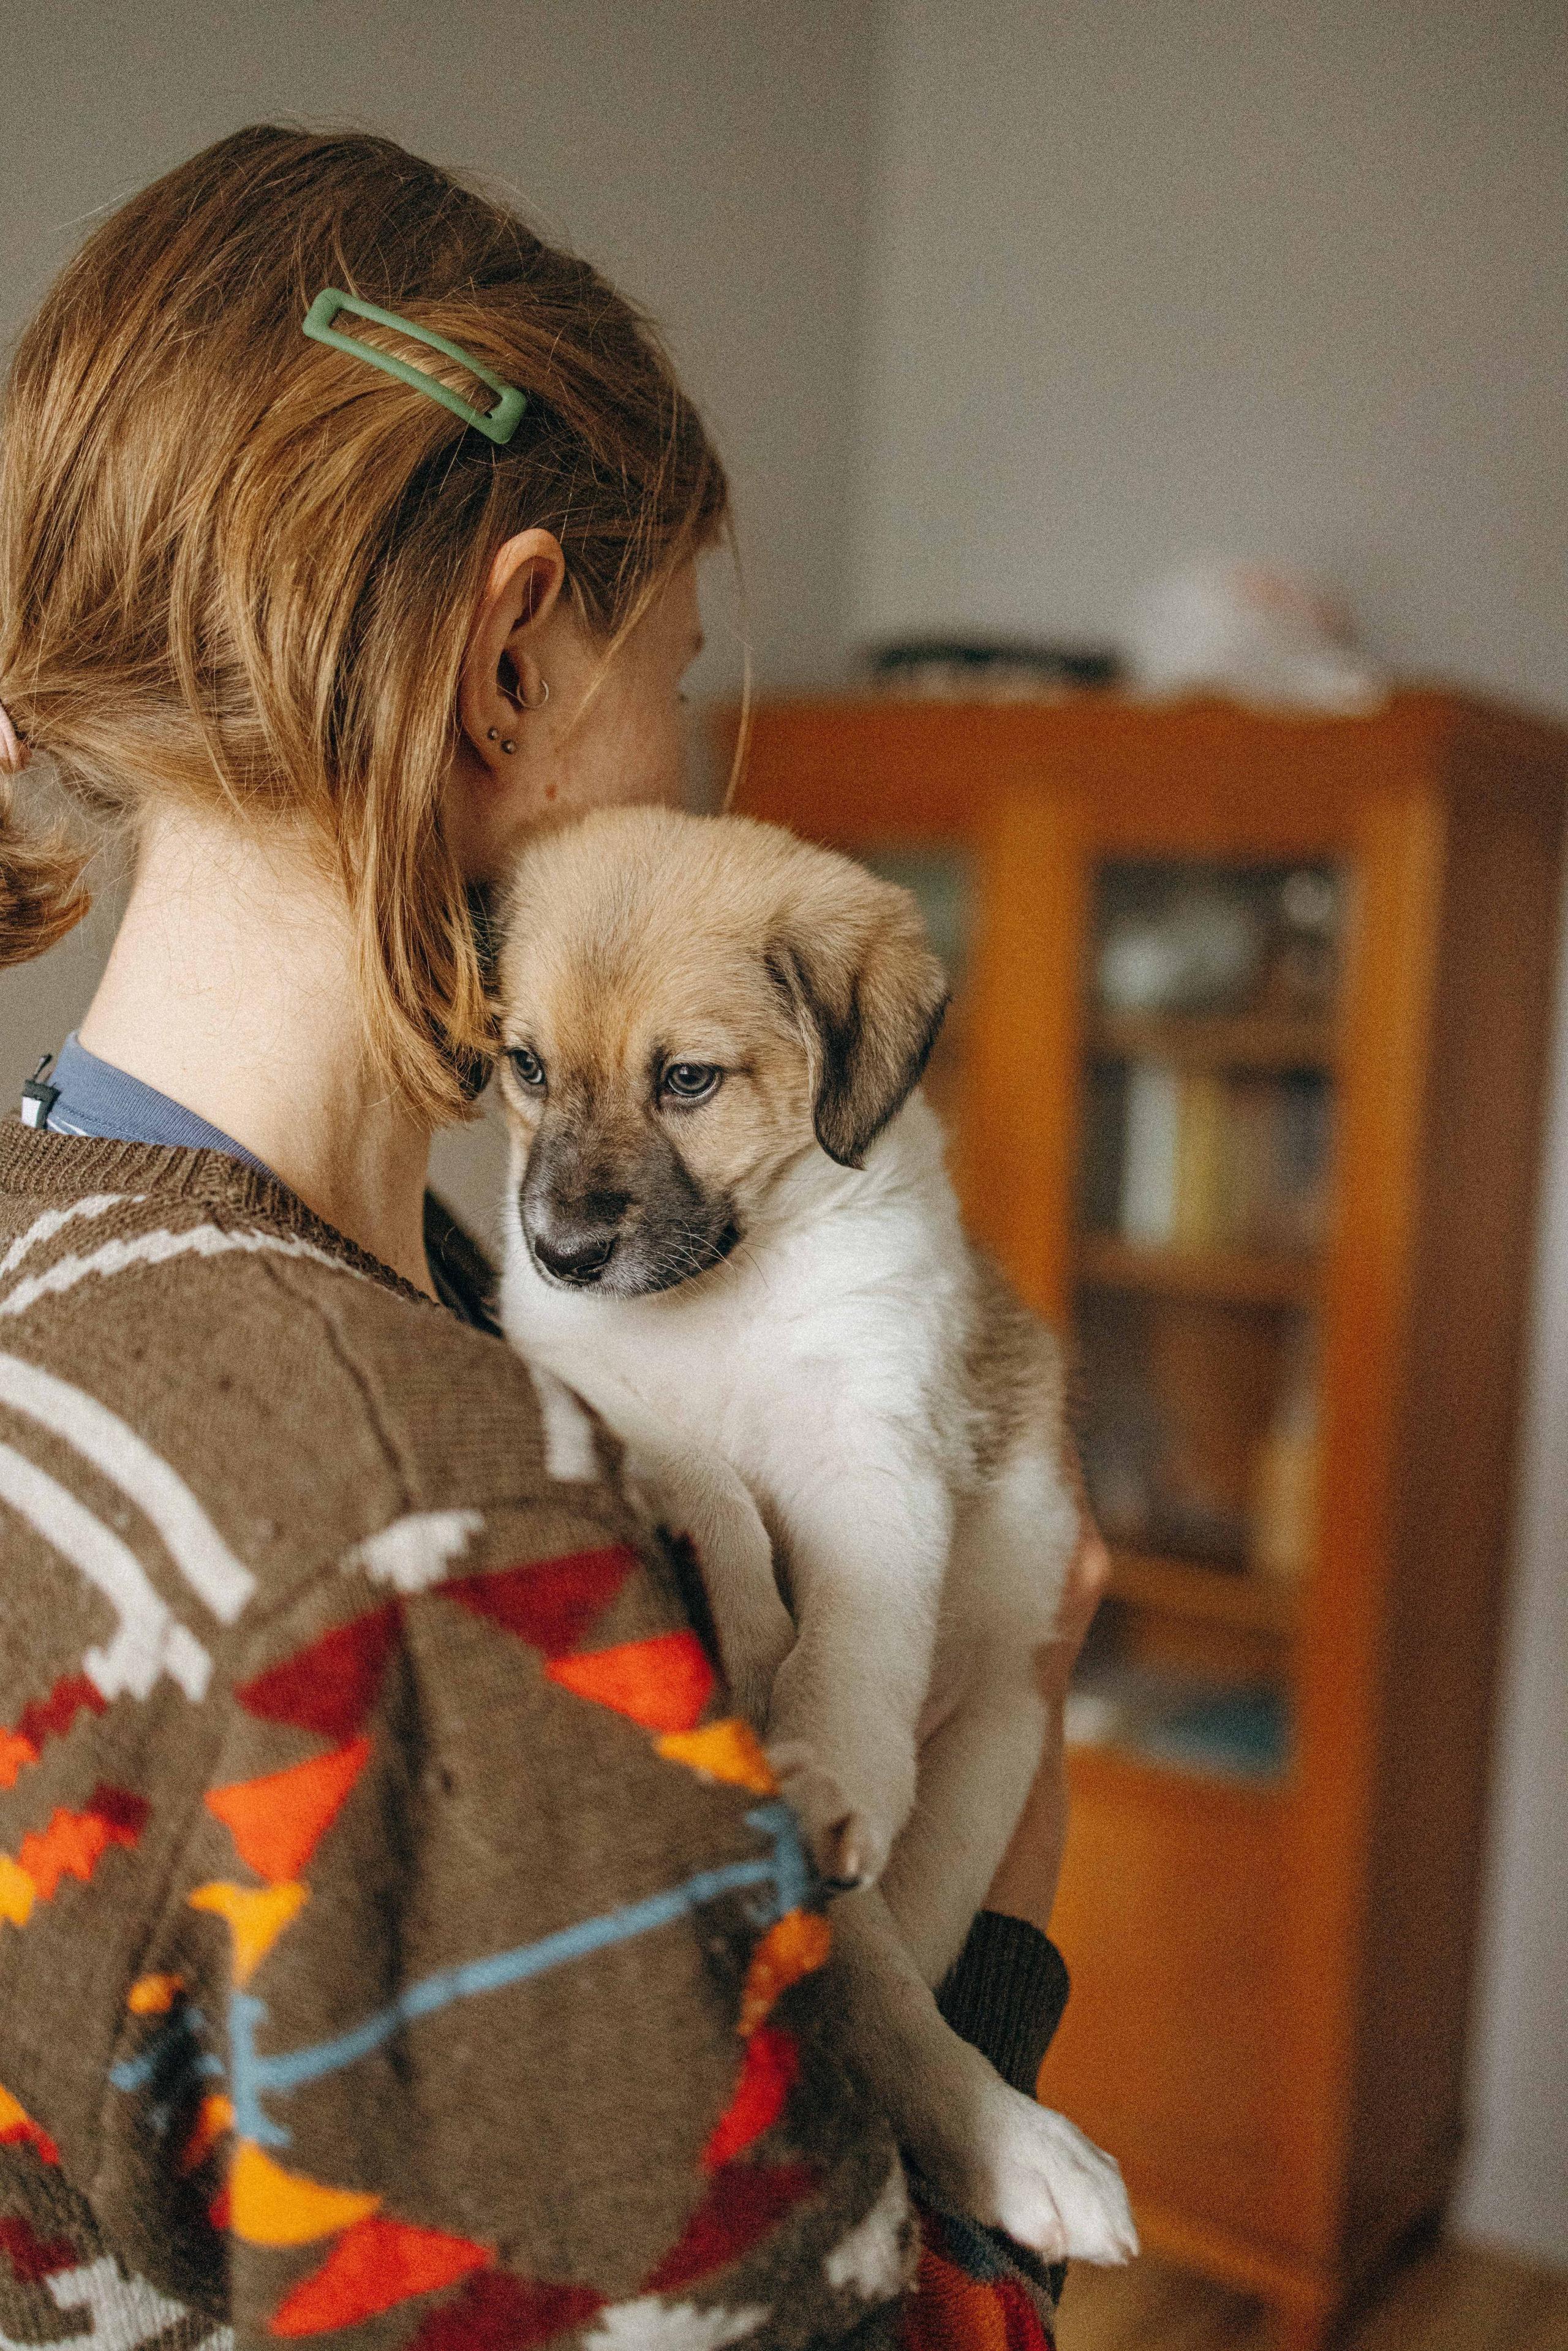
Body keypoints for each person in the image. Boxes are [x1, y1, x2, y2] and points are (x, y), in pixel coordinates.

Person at [0, 127, 1109, 2351]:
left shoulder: (80, 1239)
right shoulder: (431, 1537)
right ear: (509, 662)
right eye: (671, 680)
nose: (685, 768)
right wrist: (1010, 1898)